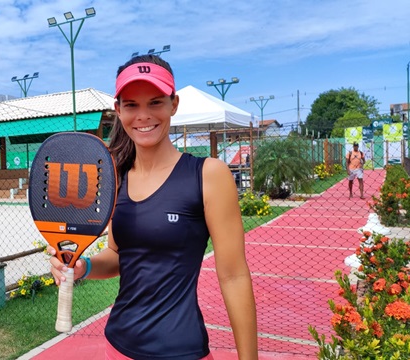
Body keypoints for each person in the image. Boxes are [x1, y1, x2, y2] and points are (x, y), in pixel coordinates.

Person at [49, 54, 258, 359]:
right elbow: (120, 255)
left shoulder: (208, 175)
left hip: (181, 351)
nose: (143, 115)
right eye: (132, 105)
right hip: (117, 344)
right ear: (118, 110)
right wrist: (84, 267)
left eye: (155, 102)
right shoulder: (115, 178)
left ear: (173, 104)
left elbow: (234, 276)